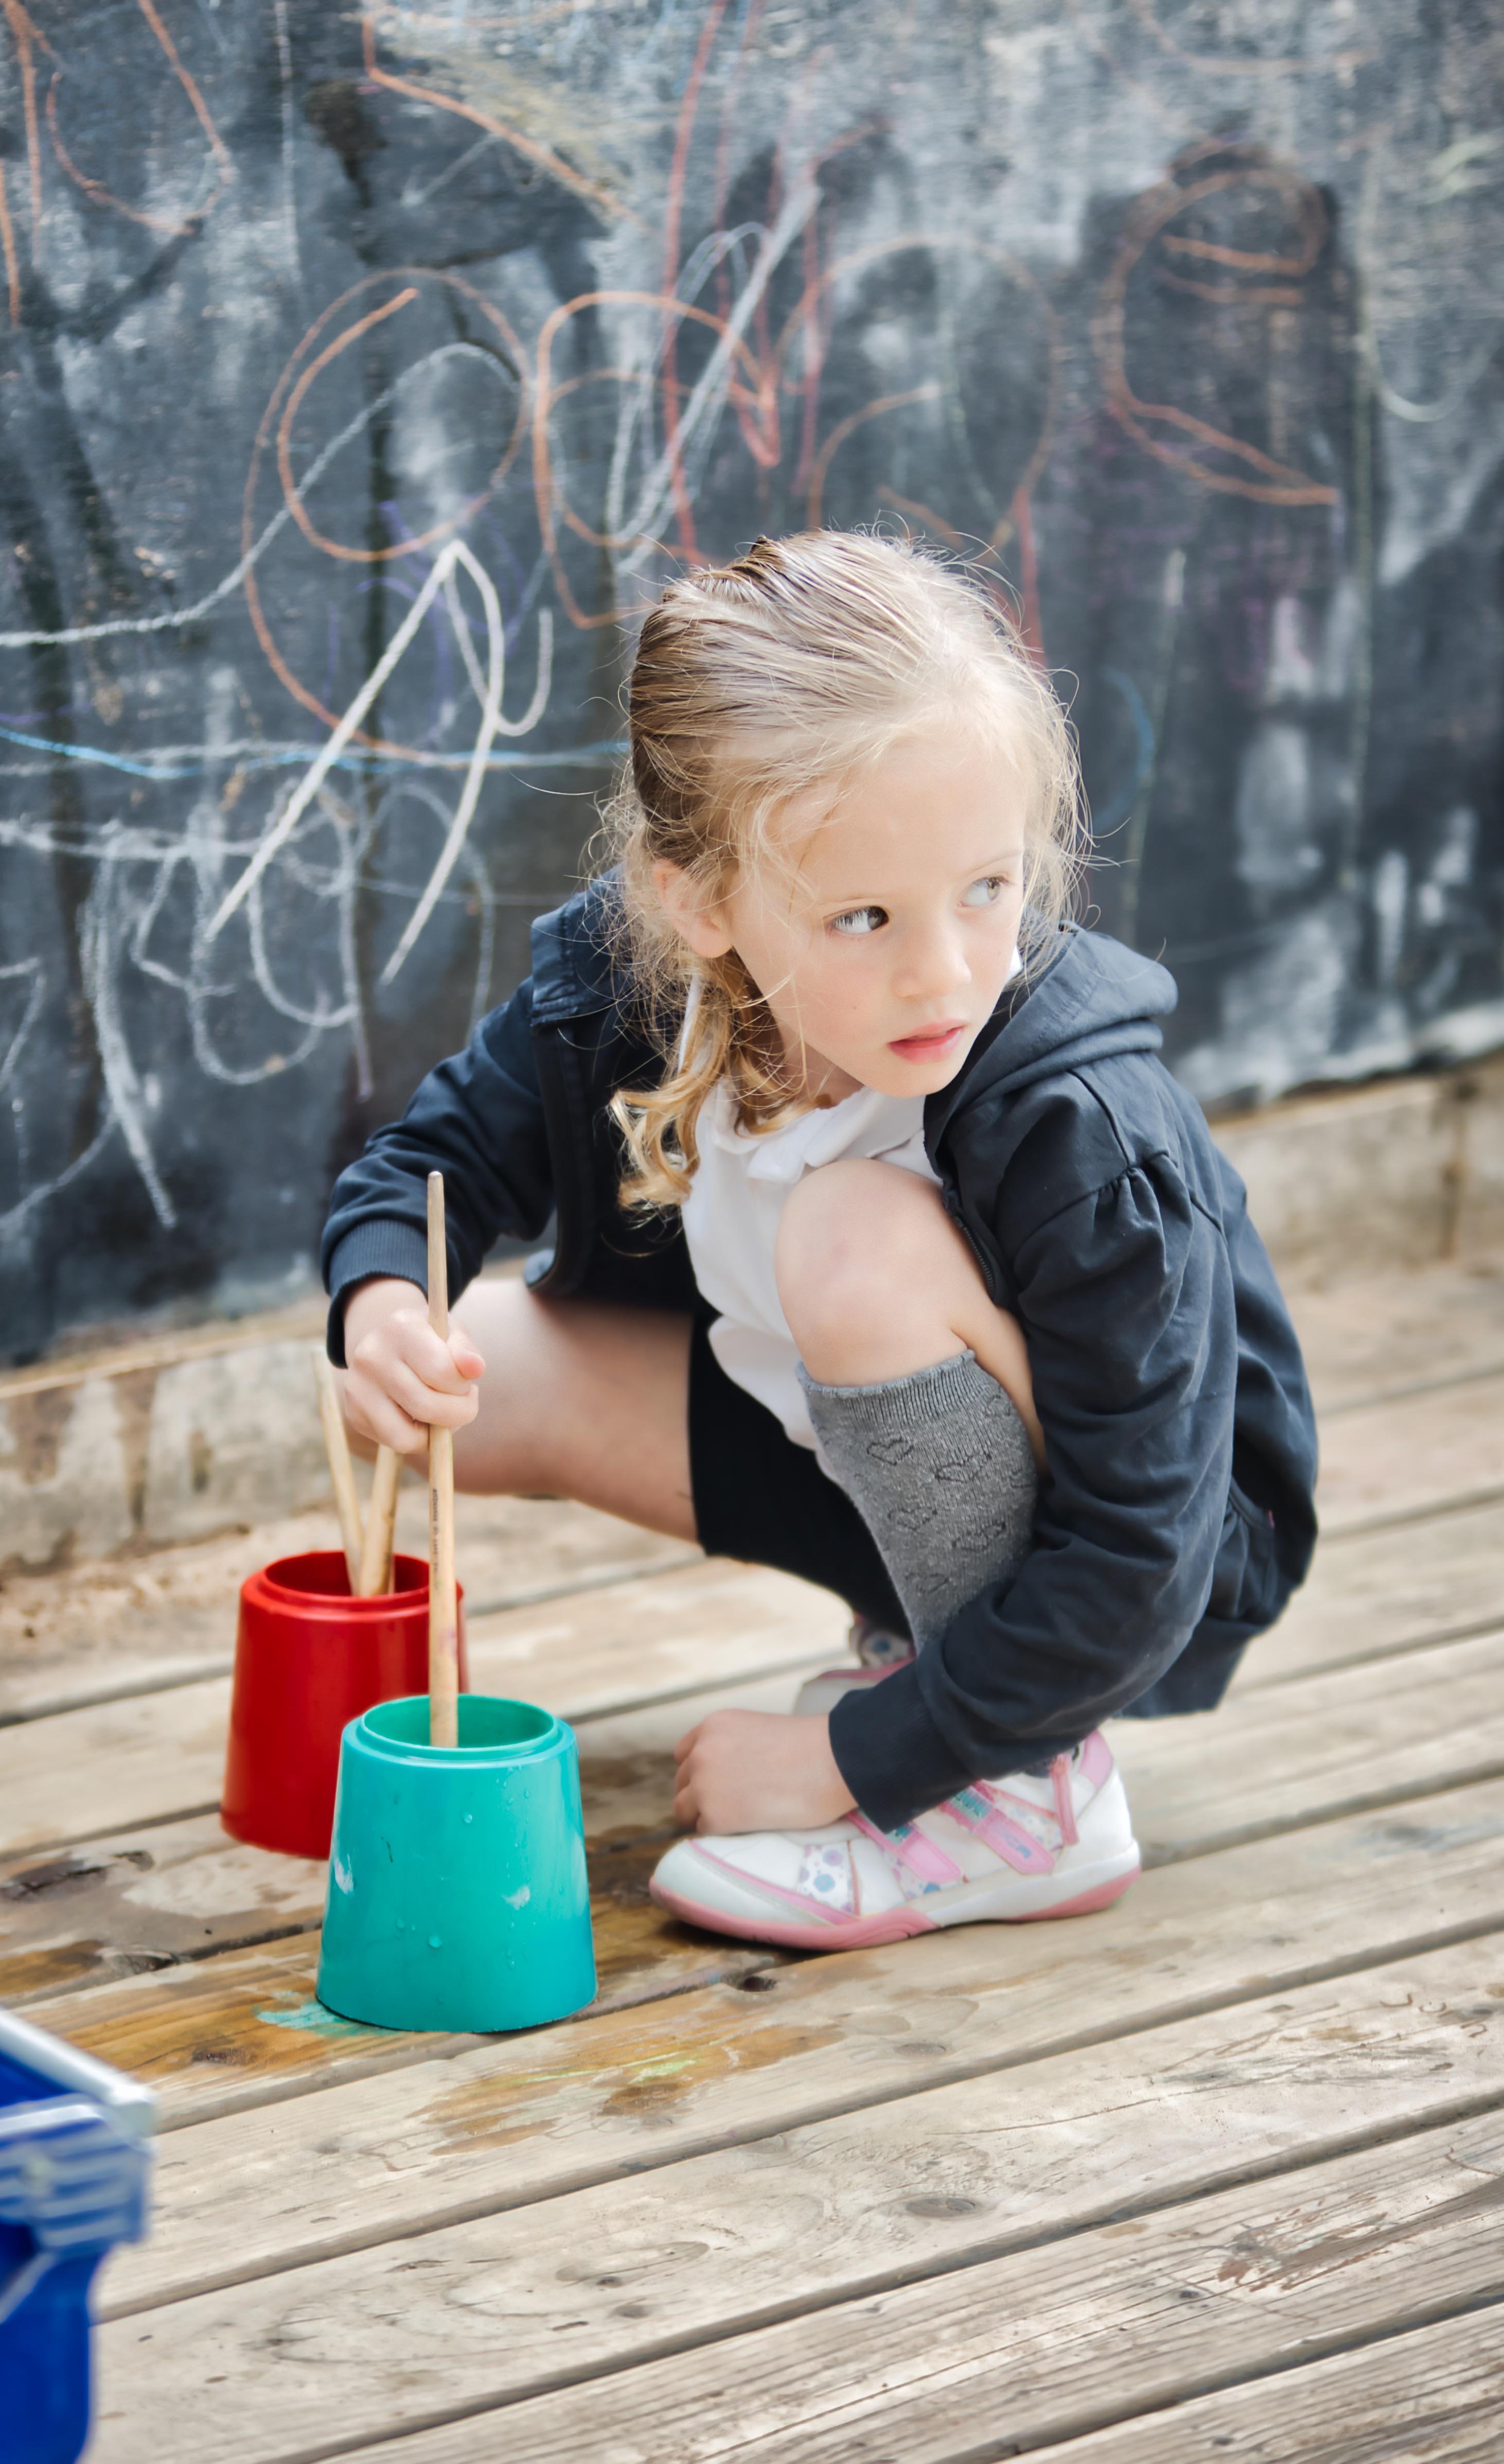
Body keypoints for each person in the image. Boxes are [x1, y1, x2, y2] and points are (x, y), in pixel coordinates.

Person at [322, 531, 1317, 1951]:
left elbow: (1146, 1549)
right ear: (700, 903)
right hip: (858, 1462)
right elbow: (427, 1164)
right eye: (864, 916)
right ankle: (933, 1650)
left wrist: (847, 1761)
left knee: (854, 1236)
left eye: (989, 889)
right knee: (457, 1379)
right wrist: (377, 1310)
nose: (945, 971)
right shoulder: (631, 979)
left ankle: (1020, 1795)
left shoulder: (1079, 1121)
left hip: (1147, 1554)